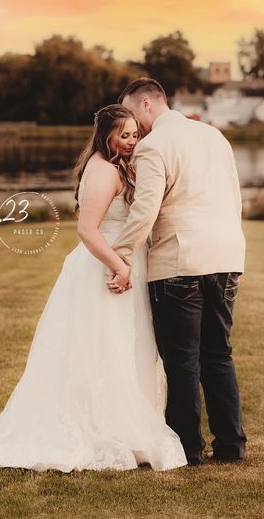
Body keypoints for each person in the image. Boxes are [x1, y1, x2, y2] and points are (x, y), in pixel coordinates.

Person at [0, 103, 187, 472]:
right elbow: (87, 230)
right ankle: (100, 430)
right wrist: (120, 267)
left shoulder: (117, 167)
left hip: (123, 268)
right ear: (105, 135)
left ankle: (126, 430)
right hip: (104, 270)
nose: (130, 141)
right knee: (104, 346)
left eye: (133, 134)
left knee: (125, 345)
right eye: (123, 135)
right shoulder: (101, 170)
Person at [107, 78, 247, 466]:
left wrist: (118, 255)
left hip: (179, 261)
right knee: (218, 354)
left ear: (147, 104)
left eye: (132, 114)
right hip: (227, 256)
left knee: (183, 360)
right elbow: (235, 197)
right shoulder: (215, 137)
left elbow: (145, 209)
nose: (131, 126)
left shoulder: (154, 146)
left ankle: (188, 449)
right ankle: (231, 447)